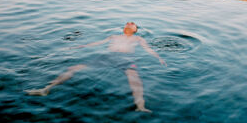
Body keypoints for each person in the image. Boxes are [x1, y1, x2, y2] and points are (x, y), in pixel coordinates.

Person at [25, 22, 166, 113]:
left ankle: (140, 106)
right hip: (107, 56)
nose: (129, 24)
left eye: (132, 24)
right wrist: (82, 46)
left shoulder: (138, 39)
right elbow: (97, 43)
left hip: (126, 59)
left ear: (135, 30)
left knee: (135, 80)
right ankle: (46, 89)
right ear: (123, 28)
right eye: (127, 23)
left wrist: (159, 58)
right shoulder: (113, 36)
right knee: (74, 68)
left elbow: (148, 49)